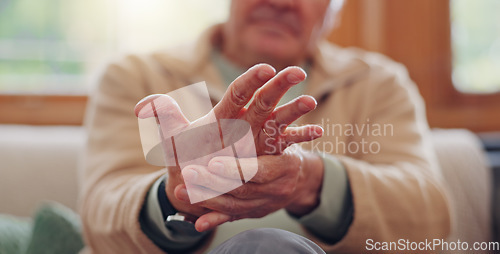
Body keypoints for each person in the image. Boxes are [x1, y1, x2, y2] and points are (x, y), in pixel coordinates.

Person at [81, 0, 451, 253]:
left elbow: (430, 218)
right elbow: (100, 216)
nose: (282, 1)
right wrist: (176, 196)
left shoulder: (378, 84)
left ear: (334, 9)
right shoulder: (137, 78)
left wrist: (311, 180)